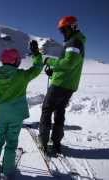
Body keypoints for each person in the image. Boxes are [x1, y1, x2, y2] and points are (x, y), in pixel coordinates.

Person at [0, 45, 43, 179]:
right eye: (18, 60)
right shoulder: (21, 75)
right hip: (16, 114)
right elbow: (36, 69)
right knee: (11, 142)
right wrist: (37, 55)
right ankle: (6, 173)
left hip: (3, 112)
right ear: (15, 61)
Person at [39, 16, 86, 154]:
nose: (63, 33)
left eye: (64, 30)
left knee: (47, 110)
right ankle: (56, 143)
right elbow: (70, 65)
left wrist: (49, 62)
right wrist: (53, 72)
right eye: (61, 31)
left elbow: (68, 63)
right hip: (68, 84)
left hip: (60, 84)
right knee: (59, 112)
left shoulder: (74, 42)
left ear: (73, 27)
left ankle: (43, 141)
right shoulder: (77, 41)